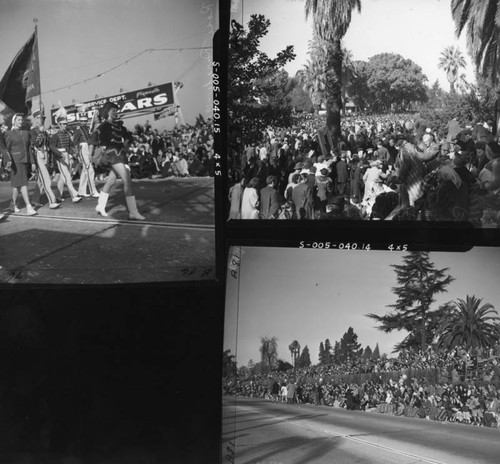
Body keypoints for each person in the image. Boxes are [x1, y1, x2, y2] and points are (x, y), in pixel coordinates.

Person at [94, 102, 145, 220]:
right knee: (127, 179)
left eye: (116, 111)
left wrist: (127, 143)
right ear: (107, 112)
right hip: (112, 155)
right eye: (113, 111)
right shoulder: (104, 125)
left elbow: (128, 136)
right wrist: (102, 146)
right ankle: (133, 211)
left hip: (120, 154)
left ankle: (100, 206)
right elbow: (97, 137)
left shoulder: (119, 125)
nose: (116, 113)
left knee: (111, 181)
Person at [1, 113, 37, 215]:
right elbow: (5, 149)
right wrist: (6, 163)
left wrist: (32, 162)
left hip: (25, 161)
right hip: (15, 162)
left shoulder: (26, 133)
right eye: (18, 120)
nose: (20, 122)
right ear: (14, 121)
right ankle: (29, 207)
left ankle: (13, 205)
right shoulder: (8, 134)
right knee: (24, 184)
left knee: (17, 186)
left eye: (21, 120)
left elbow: (29, 148)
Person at [29, 109, 61, 209]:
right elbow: (37, 143)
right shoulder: (33, 131)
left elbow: (50, 144)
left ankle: (35, 199)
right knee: (46, 179)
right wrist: (41, 133)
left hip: (46, 156)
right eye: (40, 118)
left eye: (43, 118)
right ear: (35, 119)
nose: (42, 120)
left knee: (41, 180)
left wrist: (58, 153)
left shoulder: (45, 131)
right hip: (38, 156)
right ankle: (52, 201)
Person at [49, 117, 82, 203]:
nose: (65, 125)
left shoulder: (67, 134)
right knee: (67, 177)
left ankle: (57, 196)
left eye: (66, 123)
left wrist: (73, 153)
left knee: (64, 178)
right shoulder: (55, 136)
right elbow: (52, 147)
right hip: (60, 158)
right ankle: (74, 195)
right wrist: (60, 155)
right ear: (59, 125)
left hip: (67, 156)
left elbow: (70, 146)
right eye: (63, 124)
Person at [72, 113, 99, 198]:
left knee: (85, 170)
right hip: (82, 149)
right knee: (89, 169)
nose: (84, 122)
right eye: (82, 121)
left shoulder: (87, 129)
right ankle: (93, 191)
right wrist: (77, 154)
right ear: (80, 121)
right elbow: (75, 142)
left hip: (87, 148)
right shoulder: (78, 130)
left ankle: (81, 191)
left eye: (85, 121)